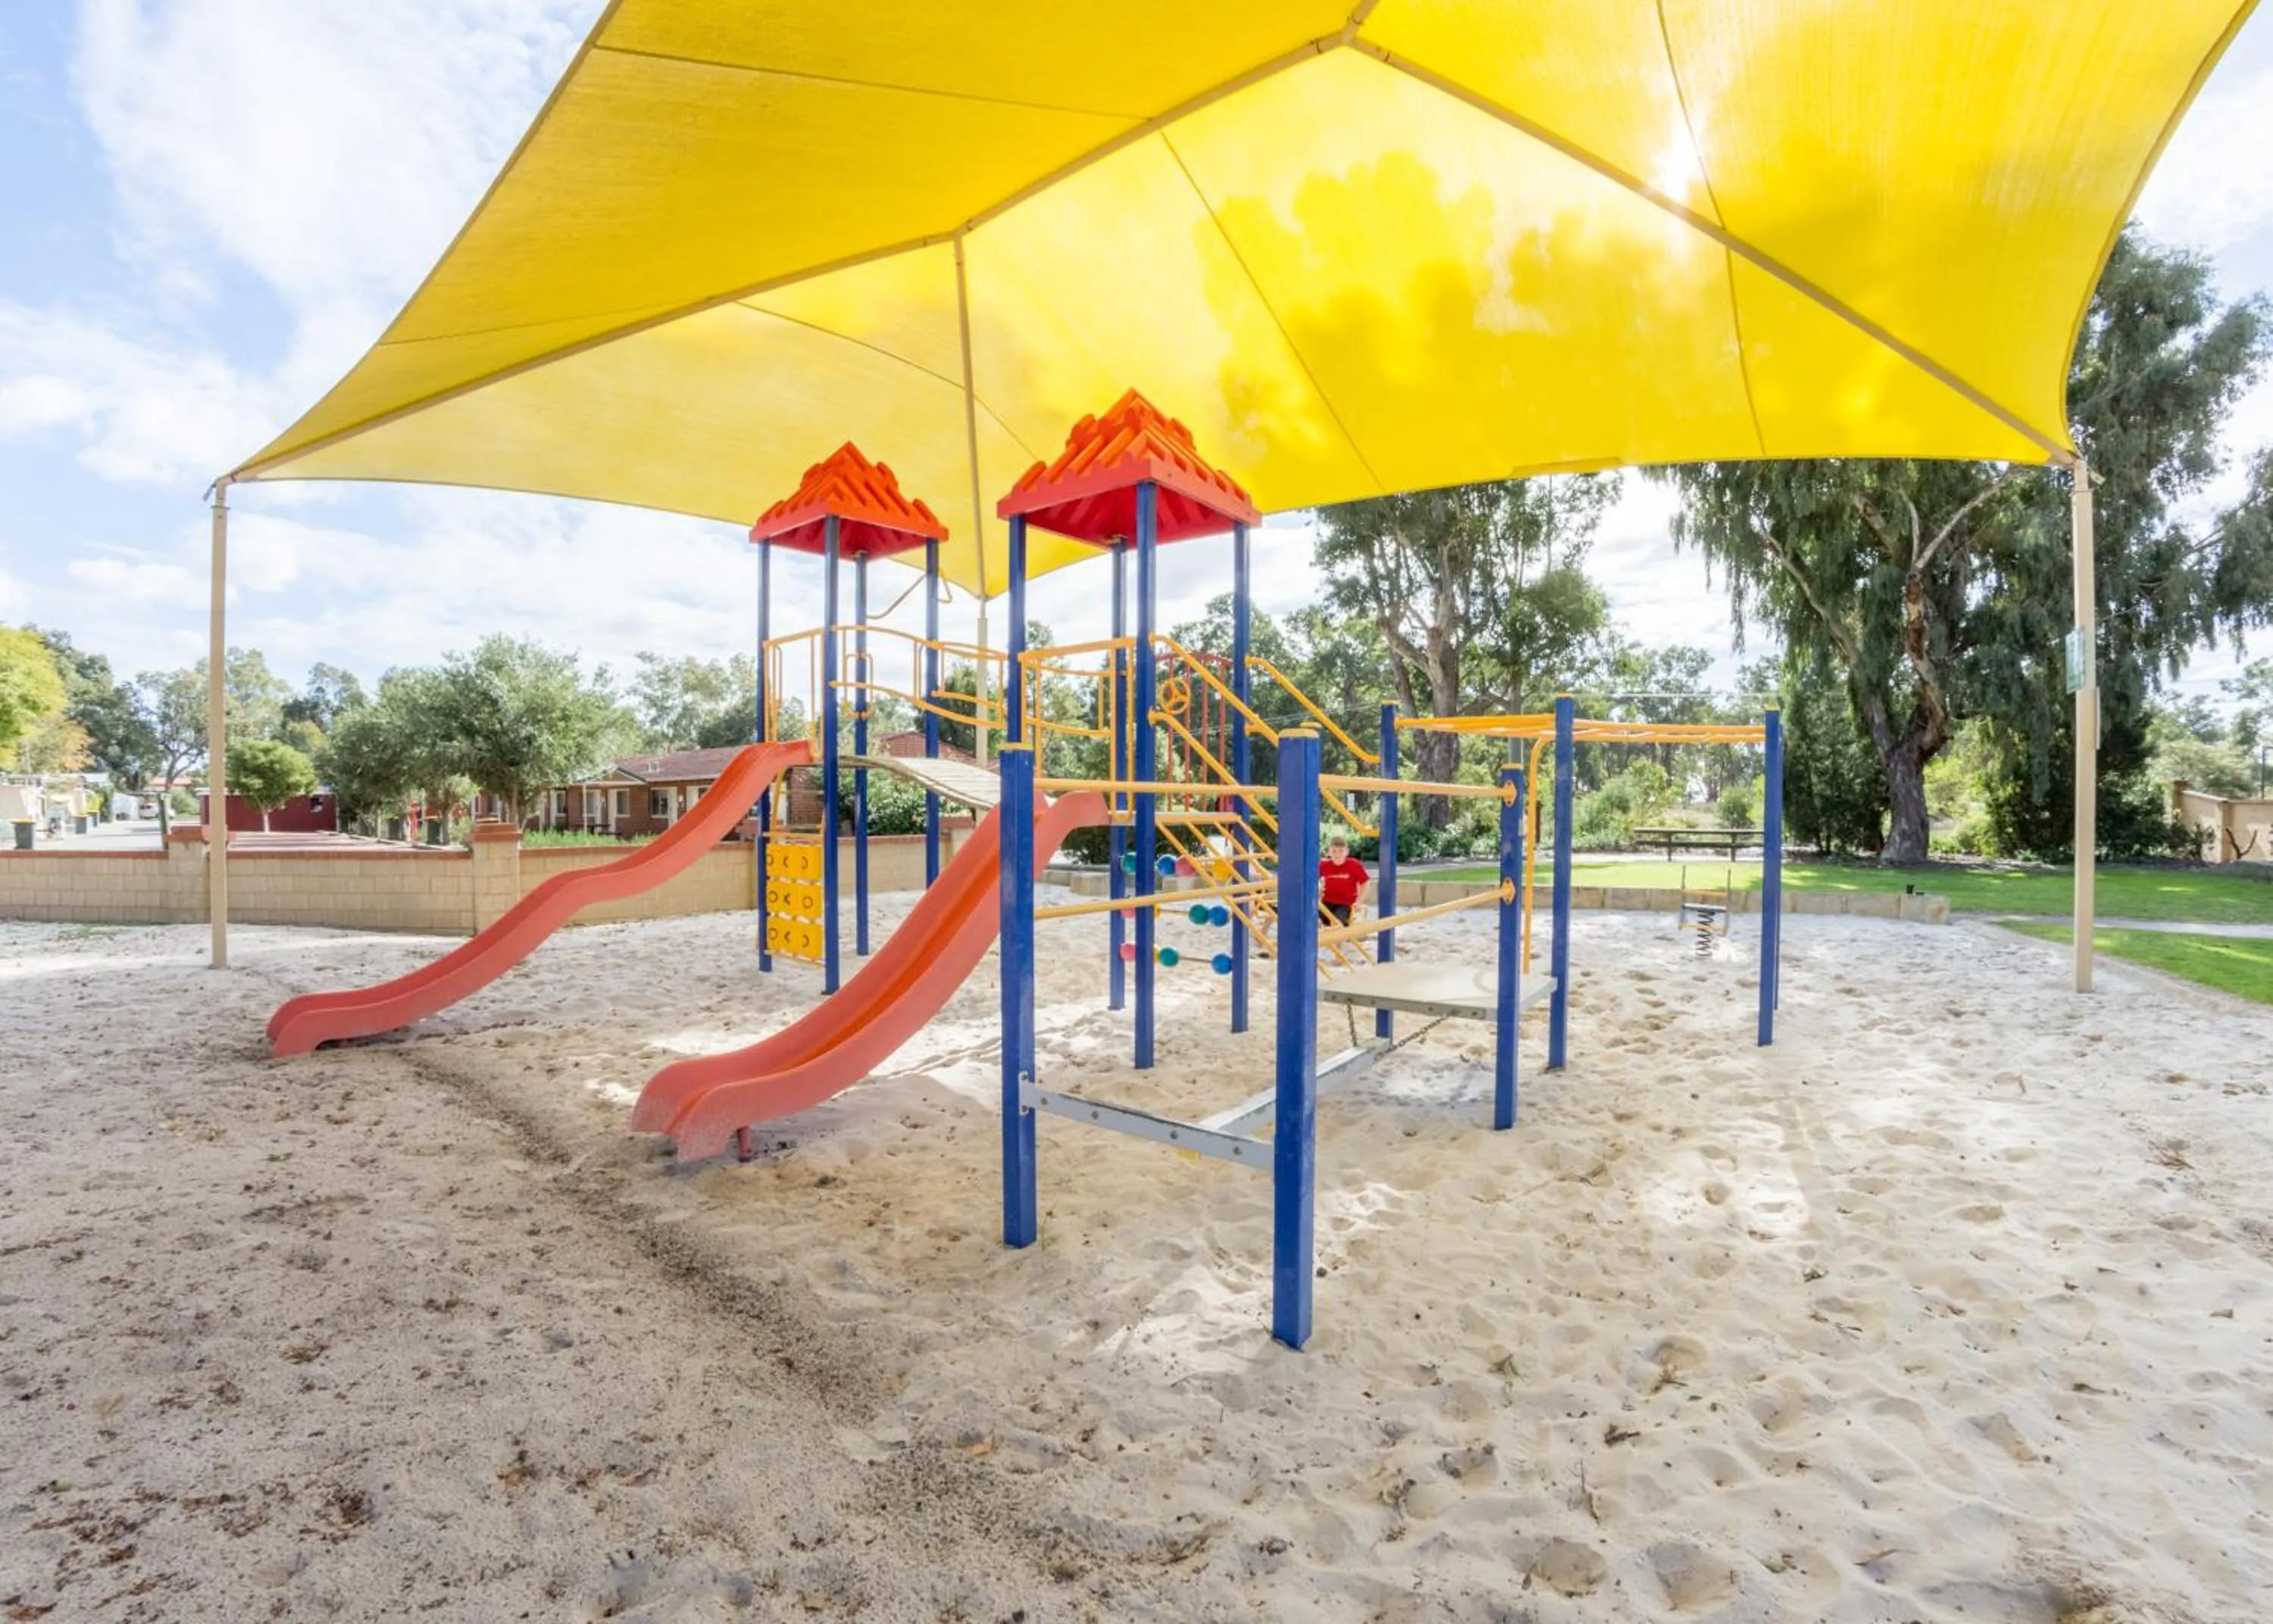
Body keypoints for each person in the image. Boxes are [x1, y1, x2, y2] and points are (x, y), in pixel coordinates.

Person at [1318, 833, 1369, 928]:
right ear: (1329, 852)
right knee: (1312, 920)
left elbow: (1365, 882)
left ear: (1347, 852)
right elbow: (1311, 880)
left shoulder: (1354, 865)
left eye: (1341, 851)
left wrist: (1359, 901)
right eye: (1334, 851)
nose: (1337, 854)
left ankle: (1337, 933)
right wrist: (1318, 890)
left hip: (1345, 904)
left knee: (1337, 924)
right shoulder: (1323, 865)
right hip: (1327, 902)